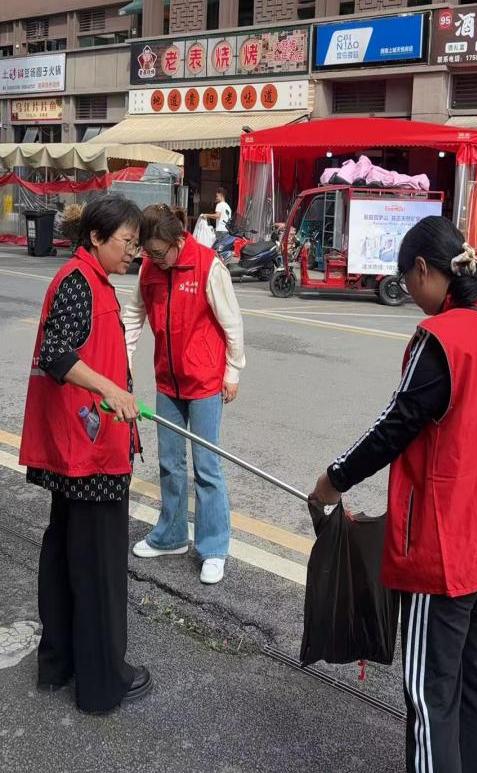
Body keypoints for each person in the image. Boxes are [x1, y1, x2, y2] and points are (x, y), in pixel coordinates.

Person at [311, 216, 477, 773]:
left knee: (429, 693)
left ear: (423, 269)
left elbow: (394, 427)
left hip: (446, 545)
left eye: (408, 281)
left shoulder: (444, 339)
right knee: (475, 675)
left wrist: (333, 479)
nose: (410, 295)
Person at [19, 194, 153, 714]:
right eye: (127, 242)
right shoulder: (79, 282)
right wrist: (111, 389)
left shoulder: (89, 280)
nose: (133, 252)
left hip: (75, 446)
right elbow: (57, 353)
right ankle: (102, 685)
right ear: (96, 238)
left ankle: (60, 664)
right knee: (97, 567)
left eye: (136, 244)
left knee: (66, 555)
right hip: (90, 452)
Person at [122, 204, 245, 584]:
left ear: (179, 241)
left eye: (160, 253)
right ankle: (171, 535)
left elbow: (232, 323)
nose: (154, 259)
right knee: (170, 464)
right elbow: (133, 315)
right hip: (168, 382)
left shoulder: (208, 266)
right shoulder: (149, 269)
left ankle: (213, 548)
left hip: (205, 383)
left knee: (207, 468)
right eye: (148, 253)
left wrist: (232, 372)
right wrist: (123, 360)